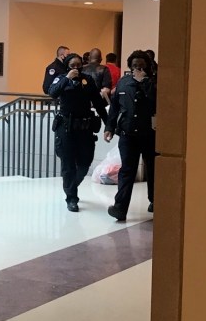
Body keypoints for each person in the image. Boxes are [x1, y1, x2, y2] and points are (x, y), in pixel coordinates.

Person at [48, 53, 109, 212]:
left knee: (84, 163)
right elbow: (52, 92)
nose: (76, 68)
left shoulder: (87, 80)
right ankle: (71, 197)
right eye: (72, 65)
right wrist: (67, 78)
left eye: (78, 65)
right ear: (67, 66)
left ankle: (71, 186)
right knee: (68, 164)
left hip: (85, 128)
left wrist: (108, 123)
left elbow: (98, 102)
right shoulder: (61, 78)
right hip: (66, 128)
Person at [103, 50, 157, 221]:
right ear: (130, 66)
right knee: (127, 171)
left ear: (147, 67)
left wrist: (145, 83)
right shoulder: (124, 83)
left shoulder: (155, 83)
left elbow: (157, 101)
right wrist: (109, 127)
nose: (138, 69)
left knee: (153, 170)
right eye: (134, 66)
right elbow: (115, 108)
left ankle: (155, 201)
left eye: (141, 66)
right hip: (128, 135)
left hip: (150, 135)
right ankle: (120, 208)